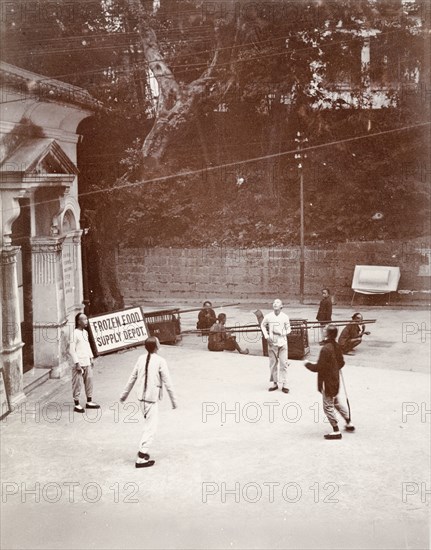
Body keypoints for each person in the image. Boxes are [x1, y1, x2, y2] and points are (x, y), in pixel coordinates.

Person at [119, 337, 177, 468]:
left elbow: (132, 377)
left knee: (148, 425)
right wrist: (174, 400)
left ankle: (143, 452)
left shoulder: (141, 358)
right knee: (151, 428)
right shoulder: (161, 361)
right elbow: (168, 382)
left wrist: (124, 395)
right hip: (151, 398)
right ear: (156, 346)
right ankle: (141, 456)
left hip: (141, 397)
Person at [304, 324, 355, 440]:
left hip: (326, 382)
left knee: (327, 406)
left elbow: (318, 368)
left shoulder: (326, 349)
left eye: (325, 330)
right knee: (336, 401)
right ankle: (348, 421)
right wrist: (334, 367)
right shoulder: (336, 346)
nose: (323, 331)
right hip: (335, 380)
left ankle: (336, 430)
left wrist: (307, 364)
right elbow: (342, 363)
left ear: (327, 334)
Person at [70, 312, 100, 413]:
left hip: (87, 361)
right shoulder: (74, 333)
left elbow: (87, 346)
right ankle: (77, 404)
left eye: (86, 319)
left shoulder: (85, 333)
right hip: (79, 364)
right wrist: (77, 363)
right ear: (79, 322)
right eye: (84, 319)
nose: (86, 321)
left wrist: (91, 358)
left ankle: (89, 401)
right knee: (77, 384)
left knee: (89, 381)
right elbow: (72, 350)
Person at [260, 299, 291, 393]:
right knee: (273, 364)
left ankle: (284, 384)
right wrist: (266, 336)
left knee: (284, 363)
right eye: (273, 302)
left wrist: (281, 333)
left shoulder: (285, 317)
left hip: (283, 343)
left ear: (282, 306)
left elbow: (289, 329)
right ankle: (274, 383)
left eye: (277, 303)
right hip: (272, 343)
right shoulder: (268, 316)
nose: (275, 304)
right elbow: (262, 325)